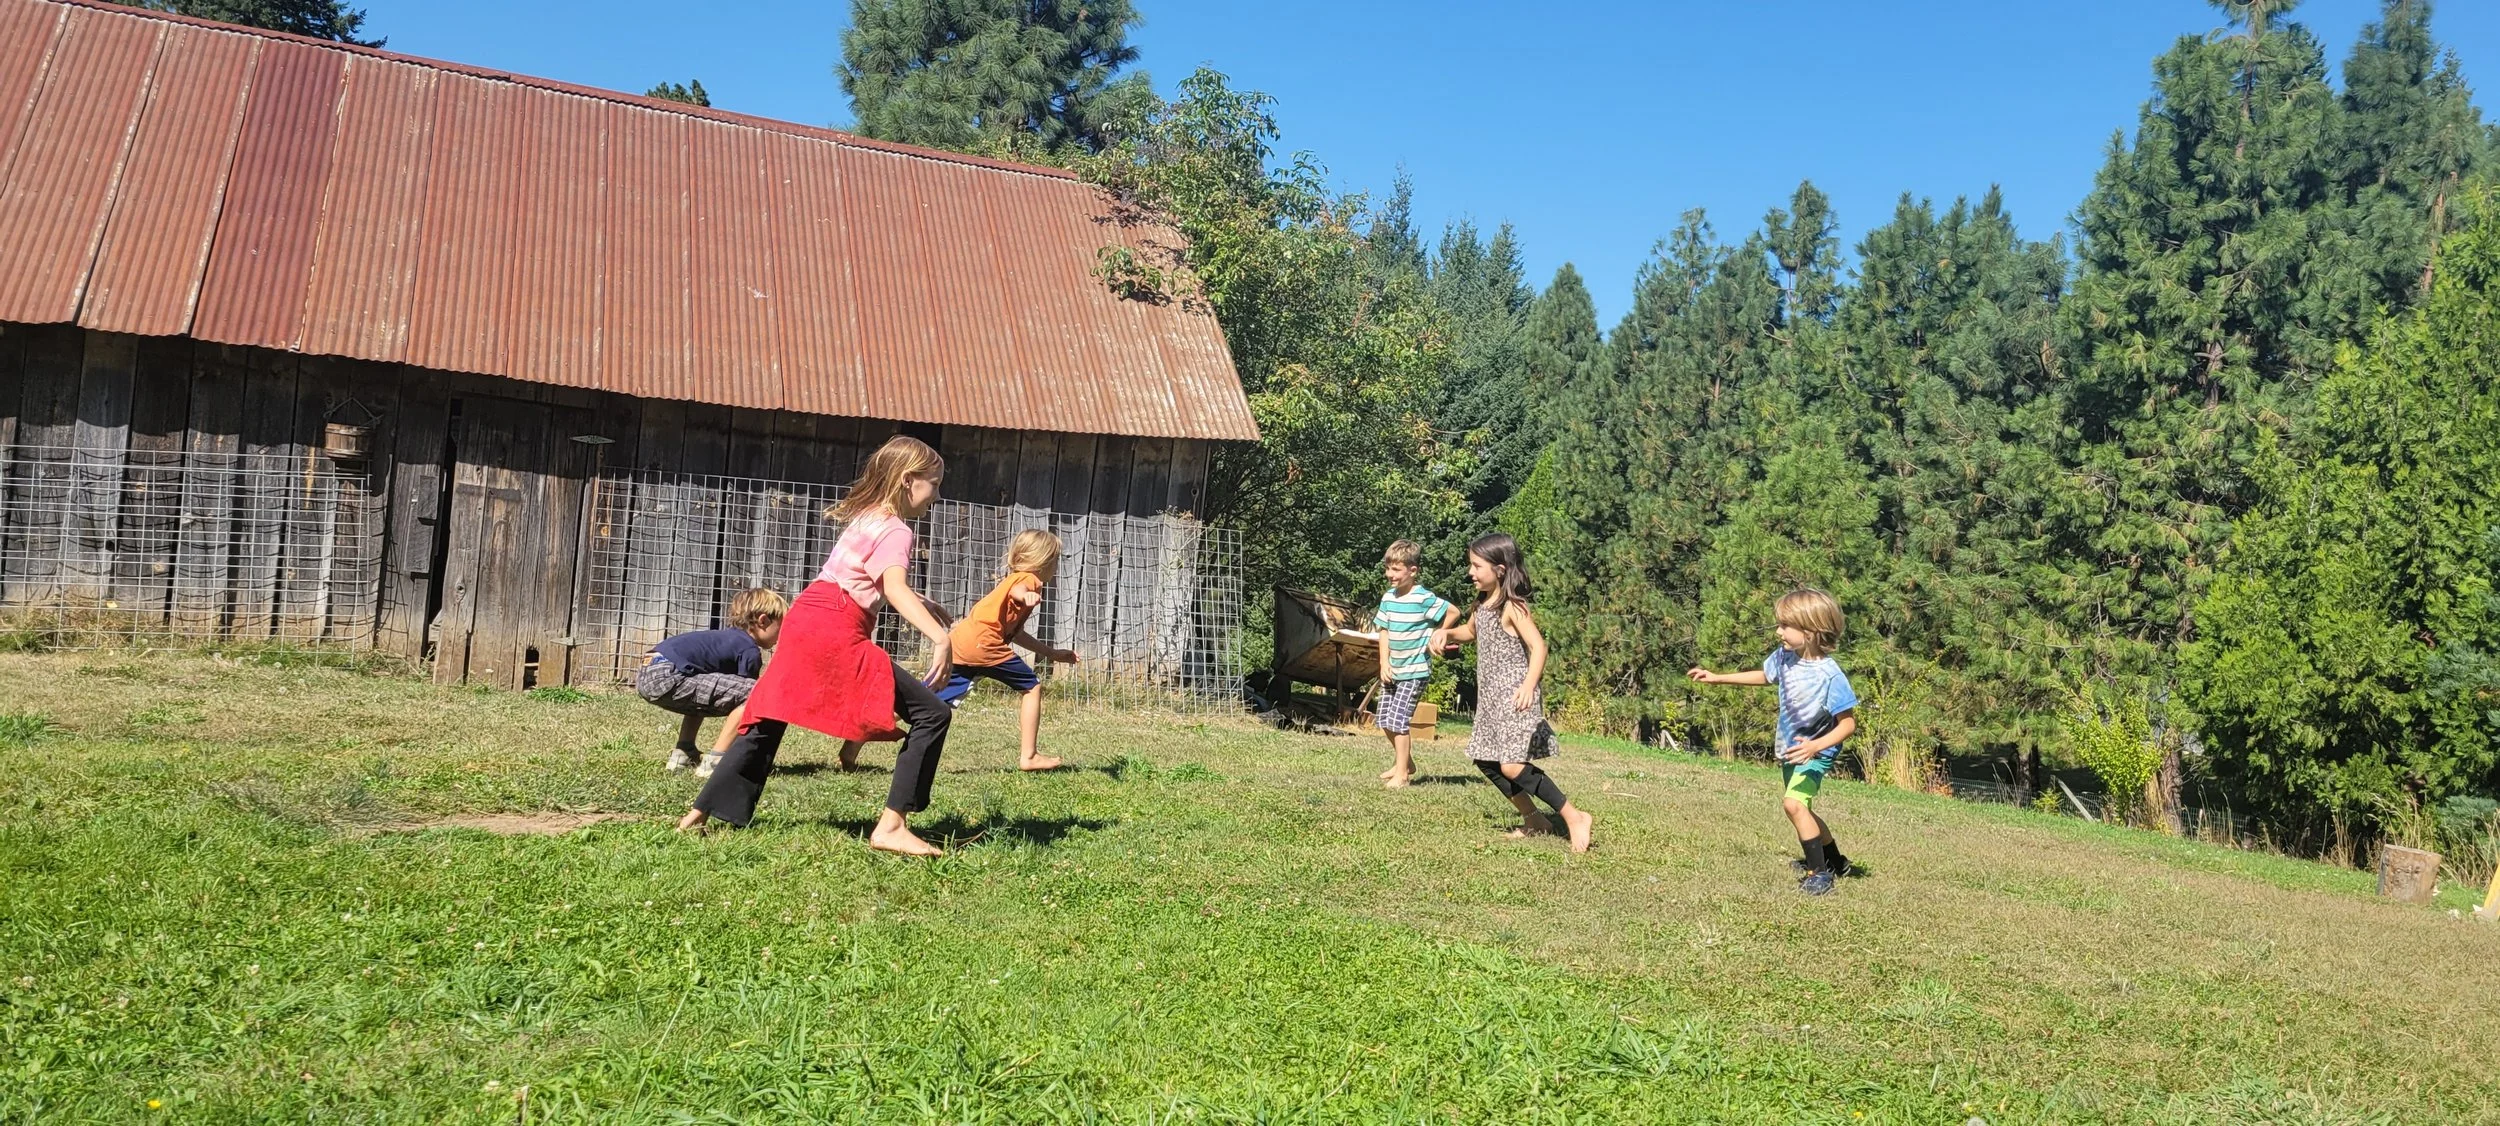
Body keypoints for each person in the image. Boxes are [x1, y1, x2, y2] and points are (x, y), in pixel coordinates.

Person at [676, 436, 957, 857]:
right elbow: (893, 587)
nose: (936, 494)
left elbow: (865, 577)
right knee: (932, 713)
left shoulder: (867, 517)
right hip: (836, 627)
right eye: (933, 484)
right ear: (907, 480)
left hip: (805, 618)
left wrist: (922, 602)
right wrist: (940, 636)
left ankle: (697, 815)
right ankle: (892, 827)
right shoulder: (897, 530)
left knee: (770, 713)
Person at [1686, 588, 1860, 896]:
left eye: (1785, 625)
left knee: (1793, 804)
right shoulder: (1784, 657)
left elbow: (1848, 725)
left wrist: (1815, 747)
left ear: (1810, 631)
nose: (1778, 631)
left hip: (1815, 753)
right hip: (1792, 750)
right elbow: (1765, 676)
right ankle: (1835, 861)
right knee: (1801, 808)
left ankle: (1819, 874)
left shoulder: (1829, 676)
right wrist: (1717, 677)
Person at [1431, 533, 1594, 853]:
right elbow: (1469, 632)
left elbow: (1539, 647)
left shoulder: (1512, 606)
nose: (1470, 572)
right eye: (1470, 565)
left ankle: (1574, 816)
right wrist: (1445, 633)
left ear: (1500, 569)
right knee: (1485, 759)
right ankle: (1534, 820)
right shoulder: (1483, 604)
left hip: (1515, 695)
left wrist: (1529, 685)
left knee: (1511, 765)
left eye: (1477, 566)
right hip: (1491, 698)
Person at [937, 529, 1079, 771]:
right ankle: (1029, 756)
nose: (1056, 567)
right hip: (984, 643)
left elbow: (1017, 634)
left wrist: (1052, 654)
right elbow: (1019, 590)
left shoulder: (1011, 579)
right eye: (1055, 560)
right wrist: (1026, 597)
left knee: (931, 697)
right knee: (1032, 686)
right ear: (1042, 561)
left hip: (962, 641)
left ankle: (875, 726)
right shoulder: (1029, 580)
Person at [633, 587, 785, 775]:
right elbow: (749, 704)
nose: (781, 636)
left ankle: (684, 753)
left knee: (703, 693)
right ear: (763, 621)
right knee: (758, 693)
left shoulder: (726, 640)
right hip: (668, 673)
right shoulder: (748, 649)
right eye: (781, 627)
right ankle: (716, 760)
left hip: (648, 670)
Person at [1371, 539, 1460, 789]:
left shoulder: (1423, 598)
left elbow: (1453, 612)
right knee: (1383, 720)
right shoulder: (1388, 598)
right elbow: (1383, 631)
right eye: (1388, 569)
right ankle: (1406, 763)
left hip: (1415, 670)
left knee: (1398, 721)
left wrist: (1439, 634)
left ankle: (1402, 775)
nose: (1390, 574)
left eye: (1396, 569)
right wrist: (1383, 663)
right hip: (1393, 669)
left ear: (1413, 571)